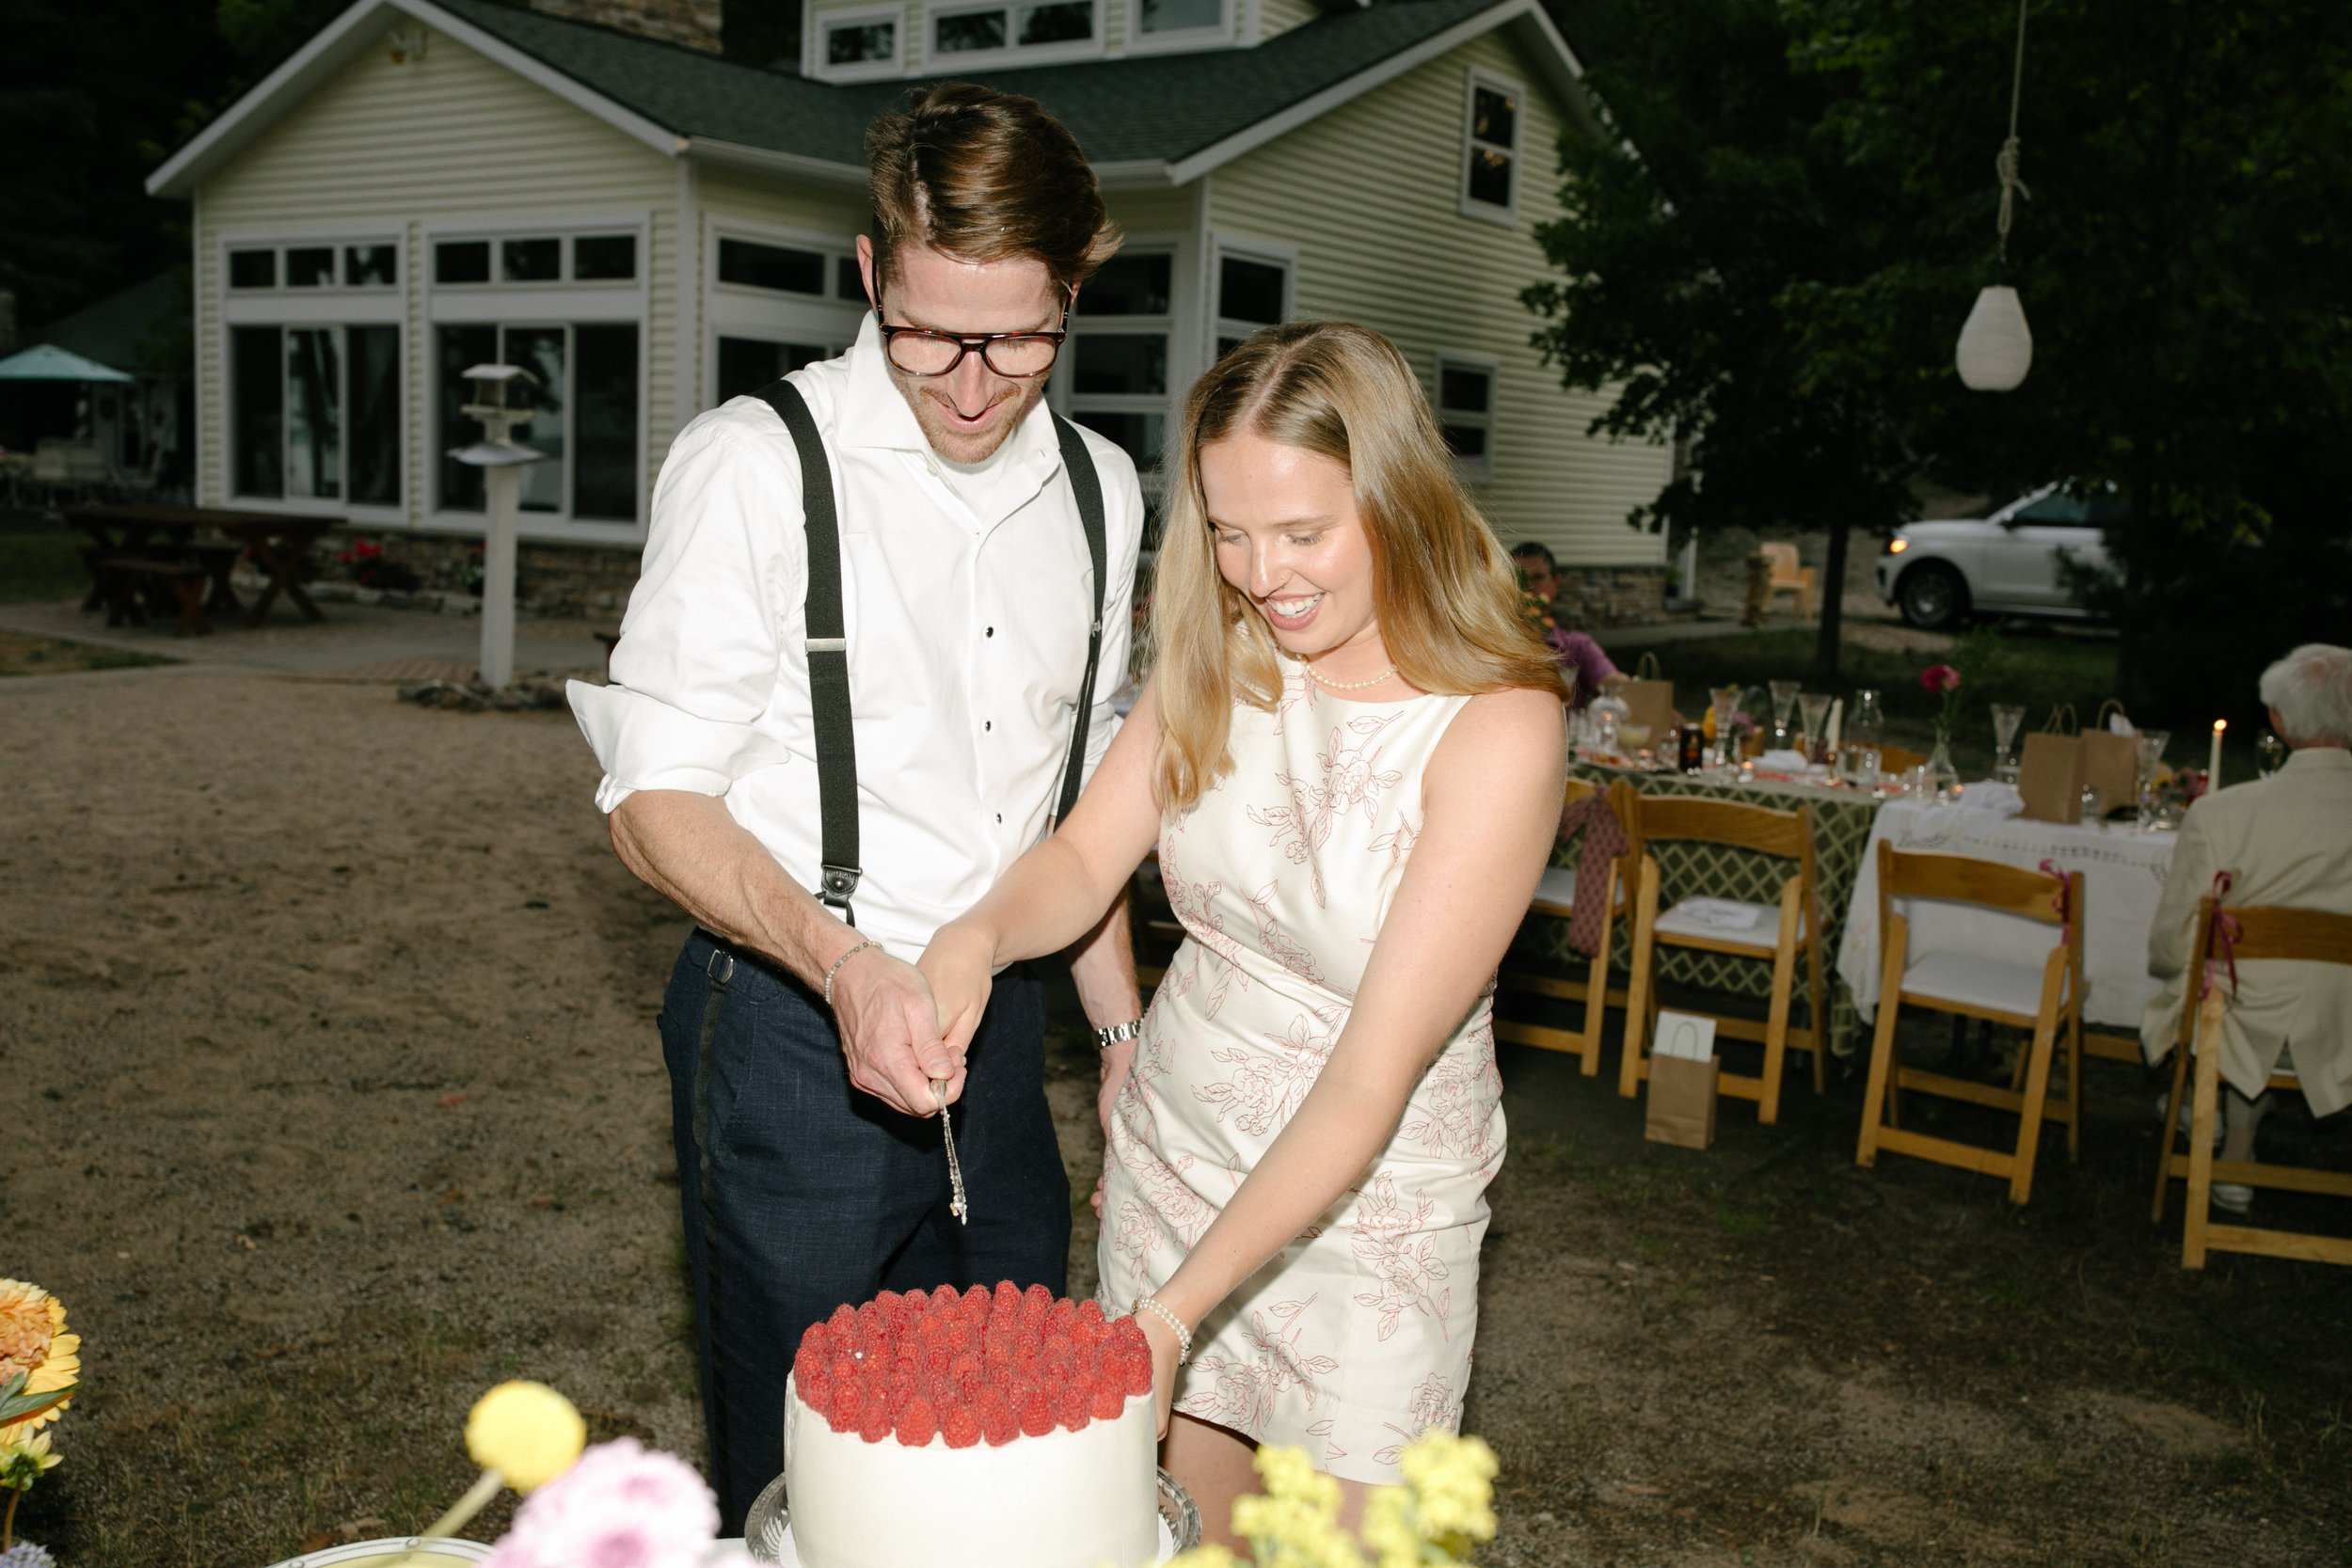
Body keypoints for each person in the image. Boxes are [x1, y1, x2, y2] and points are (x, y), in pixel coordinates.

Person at [566, 84, 1148, 1531]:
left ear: (1074, 289)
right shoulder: (756, 463)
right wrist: (843, 967)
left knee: (995, 1432)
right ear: (870, 267)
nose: (967, 379)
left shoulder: (1107, 490)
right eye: (929, 330)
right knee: (802, 1457)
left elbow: (1078, 807)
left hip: (1002, 1027)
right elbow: (654, 798)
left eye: (1017, 336)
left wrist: (1121, 1029)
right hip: (784, 1017)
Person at [920, 322, 1568, 1547]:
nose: (1262, 573)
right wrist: (981, 931)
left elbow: (1372, 1074)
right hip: (1180, 1154)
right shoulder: (1221, 653)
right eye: (1228, 530)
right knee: (1185, 1540)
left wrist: (1174, 1314)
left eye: (1302, 532)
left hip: (1372, 1210)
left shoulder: (1500, 726)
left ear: (1397, 502)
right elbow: (1077, 859)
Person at [2142, 643, 2352, 1212]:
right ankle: (2231, 1131)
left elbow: (2172, 945)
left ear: (2278, 721)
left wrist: (2173, 974)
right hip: (2345, 1027)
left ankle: (2214, 1120)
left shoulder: (2223, 814)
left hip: (2239, 1019)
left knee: (2217, 989)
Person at [1509, 539, 1626, 708]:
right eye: (1520, 579)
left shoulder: (1577, 647)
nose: (1528, 587)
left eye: (1538, 577)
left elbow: (1614, 684)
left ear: (1555, 584)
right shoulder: (1495, 646)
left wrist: (1635, 691)